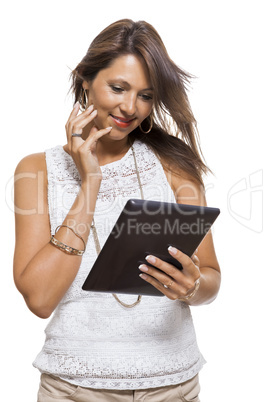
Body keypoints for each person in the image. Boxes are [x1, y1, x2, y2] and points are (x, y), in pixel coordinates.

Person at [13, 19, 221, 402]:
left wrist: (191, 287)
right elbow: (39, 299)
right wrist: (90, 182)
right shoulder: (36, 171)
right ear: (85, 80)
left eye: (146, 94)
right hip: (73, 388)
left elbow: (210, 278)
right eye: (118, 88)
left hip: (171, 385)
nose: (130, 107)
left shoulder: (175, 166)